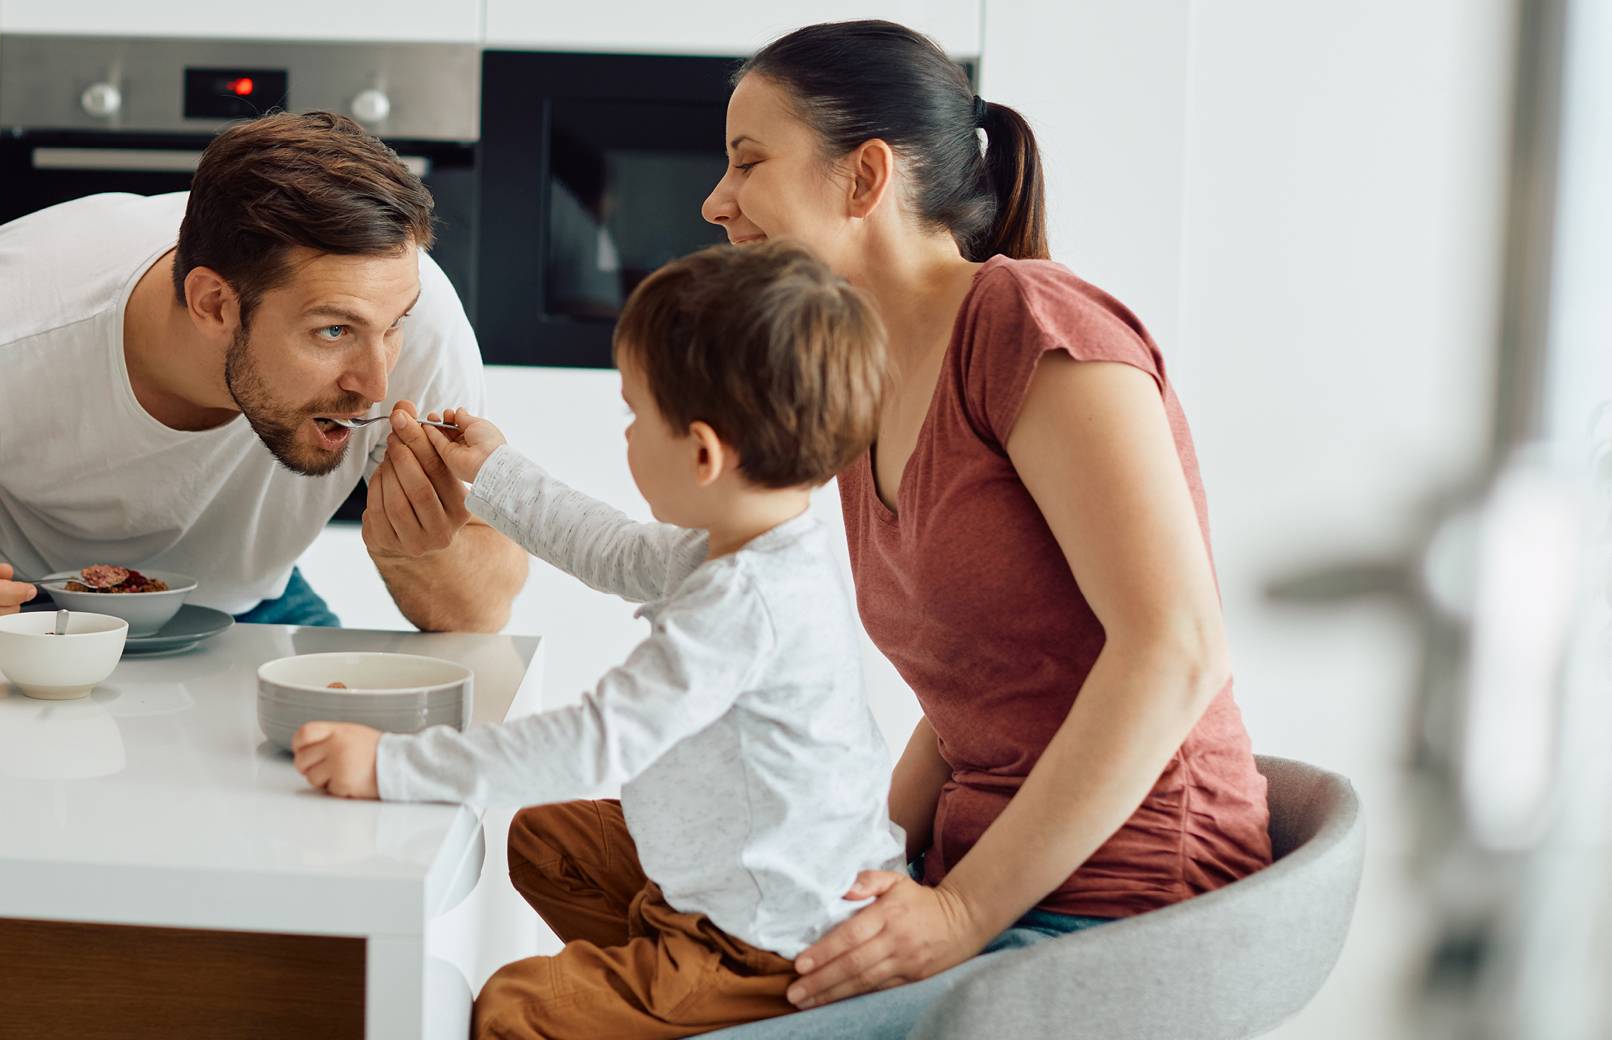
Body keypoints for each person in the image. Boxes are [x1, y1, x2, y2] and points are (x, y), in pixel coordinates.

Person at [695, 20, 1272, 1021]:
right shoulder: (866, 378)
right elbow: (975, 691)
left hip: (1127, 905)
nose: (716, 201)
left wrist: (958, 914)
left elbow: (1177, 649)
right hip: (976, 881)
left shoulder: (1030, 325)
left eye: (749, 162)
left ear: (864, 177)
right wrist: (856, 856)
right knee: (592, 858)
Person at [292, 241, 901, 1038]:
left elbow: (593, 742)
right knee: (547, 843)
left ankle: (694, 999)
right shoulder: (756, 542)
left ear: (703, 453)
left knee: (511, 1013)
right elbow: (616, 551)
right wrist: (495, 469)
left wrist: (390, 767)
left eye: (634, 415)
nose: (627, 433)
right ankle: (646, 991)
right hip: (738, 876)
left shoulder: (742, 604)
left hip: (763, 943)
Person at [0, 112, 526, 656]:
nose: (378, 381)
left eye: (392, 326)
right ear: (214, 304)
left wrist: (419, 551)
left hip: (247, 604)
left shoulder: (404, 307)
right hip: (13, 619)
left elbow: (483, 612)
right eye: (332, 332)